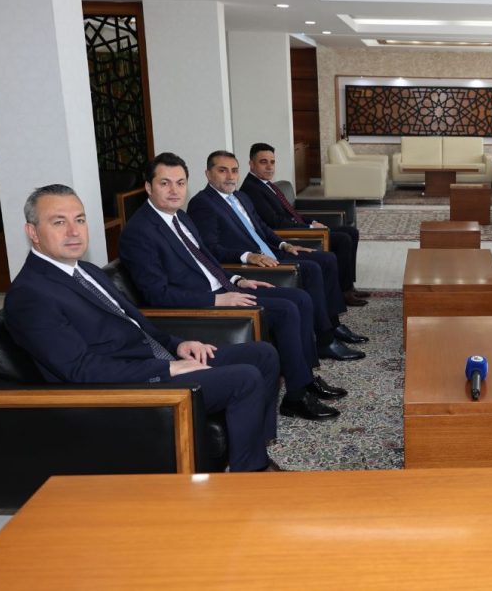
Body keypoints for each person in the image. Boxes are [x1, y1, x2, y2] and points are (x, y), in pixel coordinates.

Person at [4, 184, 283, 472]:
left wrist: (177, 345)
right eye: (59, 222)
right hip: (130, 386)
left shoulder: (86, 270)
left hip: (153, 361)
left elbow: (138, 325)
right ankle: (250, 473)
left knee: (262, 354)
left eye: (80, 219)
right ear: (33, 232)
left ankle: (254, 449)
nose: (74, 231)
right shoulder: (30, 295)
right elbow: (80, 370)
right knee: (244, 378)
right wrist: (167, 369)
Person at [118, 152, 347, 421]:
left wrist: (238, 280)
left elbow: (207, 259)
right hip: (204, 302)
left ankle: (305, 379)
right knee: (286, 310)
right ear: (148, 187)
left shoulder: (180, 217)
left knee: (300, 298)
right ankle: (296, 397)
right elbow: (157, 295)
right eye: (164, 183)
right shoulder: (139, 232)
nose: (174, 190)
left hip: (226, 287)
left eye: (180, 183)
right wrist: (217, 300)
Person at [188, 150, 367, 360]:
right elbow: (210, 249)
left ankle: (333, 325)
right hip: (253, 264)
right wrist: (247, 256)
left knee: (326, 259)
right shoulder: (202, 204)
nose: (230, 176)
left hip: (272, 253)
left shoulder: (240, 197)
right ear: (208, 174)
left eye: (234, 170)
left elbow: (262, 228)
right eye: (222, 170)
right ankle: (325, 340)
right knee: (312, 268)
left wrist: (285, 244)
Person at [240, 142, 368, 306]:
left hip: (296, 226)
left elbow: (290, 212)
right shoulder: (251, 189)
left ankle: (348, 285)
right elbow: (275, 222)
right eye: (263, 162)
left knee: (351, 232)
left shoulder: (266, 184)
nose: (270, 167)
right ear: (251, 164)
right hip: (288, 235)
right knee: (343, 239)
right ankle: (344, 292)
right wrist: (309, 228)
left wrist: (312, 222)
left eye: (272, 162)